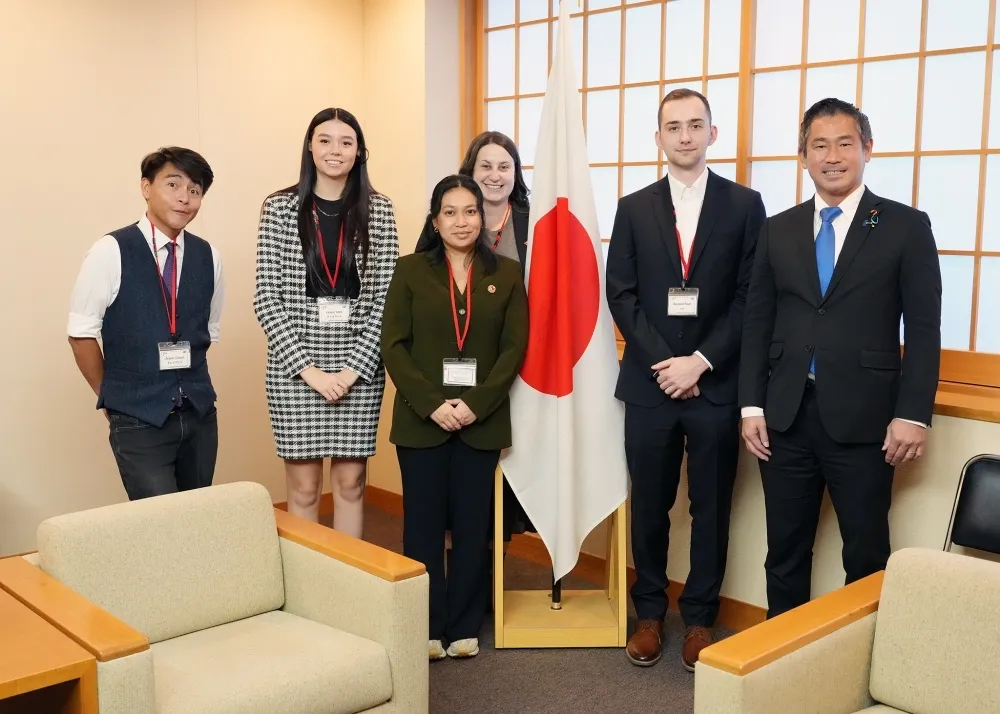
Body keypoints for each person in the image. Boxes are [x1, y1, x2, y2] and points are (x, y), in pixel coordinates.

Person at [739, 97, 942, 619]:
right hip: (784, 417)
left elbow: (922, 330)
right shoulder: (778, 228)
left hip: (868, 420)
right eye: (819, 145)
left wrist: (913, 412)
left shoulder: (905, 225)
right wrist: (750, 407)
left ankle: (858, 674)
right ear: (802, 155)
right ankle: (778, 666)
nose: (833, 156)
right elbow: (757, 322)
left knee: (867, 554)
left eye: (845, 143)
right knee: (783, 552)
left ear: (867, 149)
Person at [606, 88, 766, 670]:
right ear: (658, 138)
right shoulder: (633, 206)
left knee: (712, 506)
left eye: (695, 125)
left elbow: (751, 298)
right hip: (651, 384)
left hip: (715, 386)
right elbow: (620, 294)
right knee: (649, 503)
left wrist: (700, 362)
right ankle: (648, 610)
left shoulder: (745, 206)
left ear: (712, 134)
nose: (684, 136)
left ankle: (699, 617)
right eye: (672, 127)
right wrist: (665, 365)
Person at [381, 174, 529, 661]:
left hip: (480, 420)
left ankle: (465, 624)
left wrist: (474, 404)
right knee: (422, 526)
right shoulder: (409, 271)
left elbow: (513, 350)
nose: (462, 221)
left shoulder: (506, 273)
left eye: (470, 211)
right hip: (422, 420)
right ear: (435, 219)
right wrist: (432, 403)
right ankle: (426, 625)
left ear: (482, 218)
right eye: (450, 212)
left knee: (473, 527)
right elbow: (394, 348)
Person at [254, 107, 399, 537]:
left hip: (360, 365)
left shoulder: (380, 210)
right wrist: (311, 372)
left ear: (359, 152)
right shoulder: (279, 209)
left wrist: (353, 370)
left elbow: (387, 302)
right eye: (325, 140)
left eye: (346, 142)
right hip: (295, 369)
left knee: (352, 484)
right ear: (310, 147)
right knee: (303, 488)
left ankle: (349, 583)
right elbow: (267, 298)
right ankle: (311, 591)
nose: (335, 150)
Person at [68, 147, 223, 500]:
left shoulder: (208, 256)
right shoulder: (110, 250)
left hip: (198, 415)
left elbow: (206, 333)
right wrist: (113, 399)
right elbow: (81, 334)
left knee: (200, 518)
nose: (185, 198)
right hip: (138, 418)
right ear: (146, 187)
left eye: (195, 191)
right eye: (173, 184)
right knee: (160, 526)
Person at [417, 131, 534, 594]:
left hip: (519, 370)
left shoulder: (533, 222)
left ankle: (486, 583)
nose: (494, 175)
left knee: (502, 480)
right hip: (452, 376)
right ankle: (456, 582)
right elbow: (424, 293)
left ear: (515, 173)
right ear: (470, 170)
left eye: (504, 166)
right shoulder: (449, 218)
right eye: (485, 165)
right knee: (458, 483)